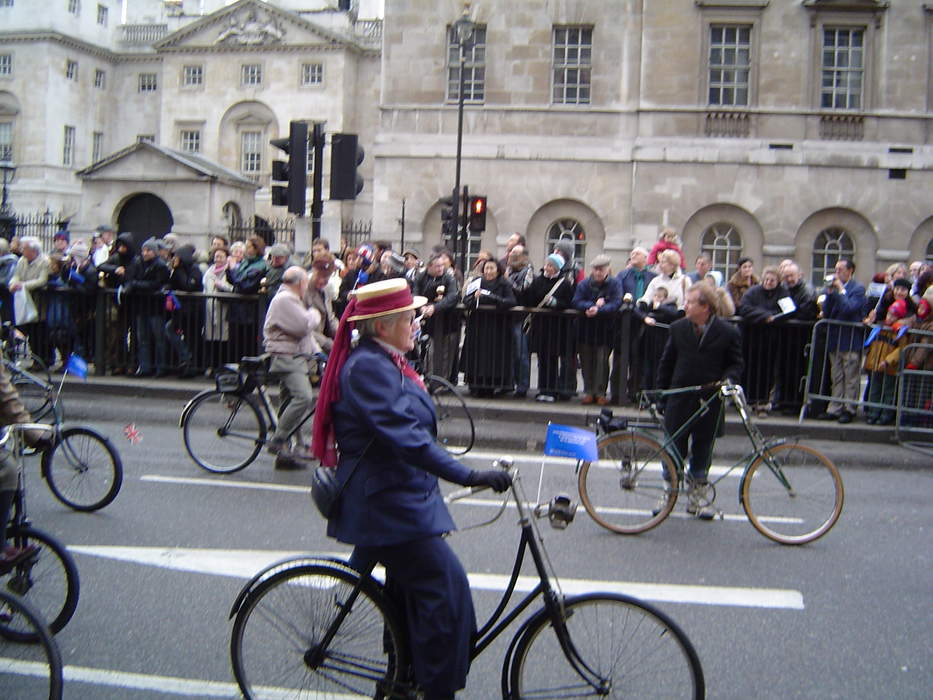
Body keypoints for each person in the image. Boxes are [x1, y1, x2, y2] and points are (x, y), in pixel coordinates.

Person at [310, 278, 511, 700]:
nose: (416, 324)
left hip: (402, 496)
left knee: (407, 602)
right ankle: (433, 690)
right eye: (409, 318)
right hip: (385, 504)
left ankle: (402, 679)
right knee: (445, 591)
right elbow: (405, 436)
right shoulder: (367, 366)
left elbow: (412, 427)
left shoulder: (388, 360)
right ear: (382, 326)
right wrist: (468, 475)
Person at [657, 282, 744, 519]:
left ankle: (697, 498)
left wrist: (728, 380)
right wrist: (661, 395)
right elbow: (667, 363)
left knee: (703, 450)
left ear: (705, 307)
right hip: (679, 397)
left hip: (710, 400)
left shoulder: (728, 332)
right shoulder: (678, 328)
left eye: (690, 301)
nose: (685, 305)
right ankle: (668, 494)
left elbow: (735, 363)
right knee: (673, 448)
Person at [262, 266, 321, 467]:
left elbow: (304, 334)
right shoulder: (285, 299)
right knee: (303, 397)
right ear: (300, 283)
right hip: (287, 356)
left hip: (294, 354)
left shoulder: (290, 299)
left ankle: (286, 455)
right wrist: (314, 313)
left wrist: (317, 351)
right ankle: (279, 441)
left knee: (288, 402)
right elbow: (305, 326)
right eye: (305, 282)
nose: (307, 286)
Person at [818, 259, 866, 424]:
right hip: (835, 339)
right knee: (836, 376)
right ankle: (835, 407)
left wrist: (840, 290)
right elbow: (827, 312)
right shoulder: (833, 289)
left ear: (850, 270)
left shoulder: (858, 289)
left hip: (850, 339)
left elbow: (849, 309)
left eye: (841, 269)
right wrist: (830, 295)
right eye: (836, 269)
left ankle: (849, 408)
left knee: (850, 376)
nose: (837, 273)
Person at [572, 254, 622, 405]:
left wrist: (600, 310)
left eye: (601, 269)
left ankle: (600, 392)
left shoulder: (614, 284)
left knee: (602, 362)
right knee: (586, 361)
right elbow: (576, 301)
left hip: (605, 330)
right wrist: (591, 306)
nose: (598, 273)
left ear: (608, 269)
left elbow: (616, 303)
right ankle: (588, 391)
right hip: (586, 329)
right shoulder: (584, 284)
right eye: (596, 269)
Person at [462, 259, 516, 396]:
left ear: (497, 270)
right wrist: (474, 298)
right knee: (477, 355)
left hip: (497, 327)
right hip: (478, 325)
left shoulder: (504, 283)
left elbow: (511, 301)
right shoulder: (477, 282)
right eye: (486, 268)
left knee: (493, 356)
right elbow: (466, 300)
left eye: (491, 268)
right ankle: (475, 384)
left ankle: (492, 385)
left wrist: (492, 297)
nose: (488, 271)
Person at [526, 254, 575, 402]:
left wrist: (555, 303)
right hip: (541, 325)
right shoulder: (538, 280)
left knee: (553, 359)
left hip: (557, 327)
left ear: (557, 268)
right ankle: (542, 389)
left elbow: (568, 303)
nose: (547, 268)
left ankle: (552, 390)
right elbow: (531, 299)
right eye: (547, 265)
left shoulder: (565, 284)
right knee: (542, 359)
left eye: (551, 266)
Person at [124, 237, 171, 376]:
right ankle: (145, 367)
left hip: (155, 308)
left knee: (158, 338)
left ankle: (161, 367)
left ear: (155, 252)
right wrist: (137, 284)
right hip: (141, 306)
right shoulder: (137, 263)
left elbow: (156, 284)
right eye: (144, 250)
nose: (145, 253)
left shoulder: (160, 266)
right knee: (142, 338)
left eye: (148, 250)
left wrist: (137, 285)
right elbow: (130, 279)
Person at [411, 253, 461, 380]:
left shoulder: (449, 278)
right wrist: (421, 306)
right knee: (428, 352)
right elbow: (414, 294)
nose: (440, 269)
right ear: (429, 266)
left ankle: (442, 381)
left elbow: (453, 296)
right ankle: (428, 378)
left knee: (445, 354)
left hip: (447, 322)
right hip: (426, 322)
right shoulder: (420, 277)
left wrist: (435, 307)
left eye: (442, 266)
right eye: (437, 266)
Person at [862, 299, 910, 425]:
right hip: (875, 364)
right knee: (875, 390)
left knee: (888, 391)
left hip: (890, 367)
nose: (890, 317)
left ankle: (885, 414)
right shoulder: (880, 327)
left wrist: (888, 361)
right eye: (889, 314)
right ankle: (873, 413)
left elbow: (901, 349)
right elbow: (872, 344)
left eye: (894, 316)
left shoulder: (900, 332)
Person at [8, 237, 51, 365]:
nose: (22, 250)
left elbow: (42, 280)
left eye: (24, 248)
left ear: (33, 250)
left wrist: (23, 285)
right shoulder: (22, 261)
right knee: (24, 330)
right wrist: (13, 283)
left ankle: (43, 360)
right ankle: (31, 359)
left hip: (38, 302)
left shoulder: (44, 262)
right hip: (23, 302)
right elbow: (16, 275)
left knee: (38, 332)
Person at [165, 244, 203, 377]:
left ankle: (189, 364)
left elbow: (188, 286)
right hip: (180, 311)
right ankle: (186, 358)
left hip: (192, 311)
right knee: (170, 329)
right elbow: (171, 284)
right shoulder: (177, 270)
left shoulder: (195, 270)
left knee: (191, 338)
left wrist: (178, 271)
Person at [506, 245, 535, 397]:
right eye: (511, 253)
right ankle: (509, 383)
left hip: (521, 318)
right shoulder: (508, 270)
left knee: (521, 353)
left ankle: (522, 385)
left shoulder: (528, 271)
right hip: (507, 316)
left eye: (516, 254)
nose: (512, 256)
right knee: (508, 352)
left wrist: (508, 282)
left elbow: (524, 290)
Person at [202, 247, 233, 370]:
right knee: (211, 338)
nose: (218, 259)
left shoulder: (229, 271)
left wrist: (221, 285)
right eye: (216, 256)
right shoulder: (209, 272)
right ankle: (212, 365)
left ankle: (222, 365)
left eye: (221, 256)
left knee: (223, 337)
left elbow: (232, 287)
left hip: (223, 308)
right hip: (209, 308)